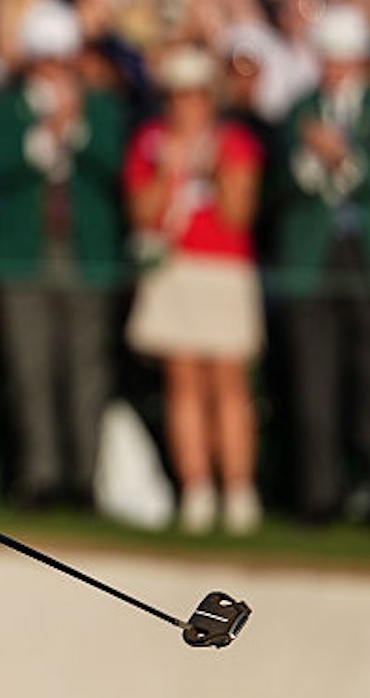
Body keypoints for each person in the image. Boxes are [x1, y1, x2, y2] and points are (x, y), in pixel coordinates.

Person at [269, 5, 370, 526]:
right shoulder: (299, 109)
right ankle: (319, 494)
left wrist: (342, 157)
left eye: (344, 59)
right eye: (328, 58)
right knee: (315, 381)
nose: (335, 69)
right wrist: (312, 160)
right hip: (314, 258)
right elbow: (277, 185)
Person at [0, 0, 128, 508]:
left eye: (62, 58)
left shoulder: (102, 106)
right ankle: (40, 474)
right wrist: (49, 134)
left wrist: (75, 127)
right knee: (31, 369)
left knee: (87, 369)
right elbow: (1, 167)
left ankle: (84, 479)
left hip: (86, 254)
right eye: (45, 58)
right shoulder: (6, 107)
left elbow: (113, 165)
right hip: (24, 255)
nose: (54, 68)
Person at [125, 45, 266, 534]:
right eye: (177, 95)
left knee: (229, 383)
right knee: (182, 383)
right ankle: (197, 489)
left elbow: (237, 214)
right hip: (174, 268)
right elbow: (142, 214)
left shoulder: (234, 142)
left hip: (223, 269)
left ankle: (239, 489)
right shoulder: (151, 142)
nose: (185, 105)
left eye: (194, 95)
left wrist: (209, 168)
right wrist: (172, 170)